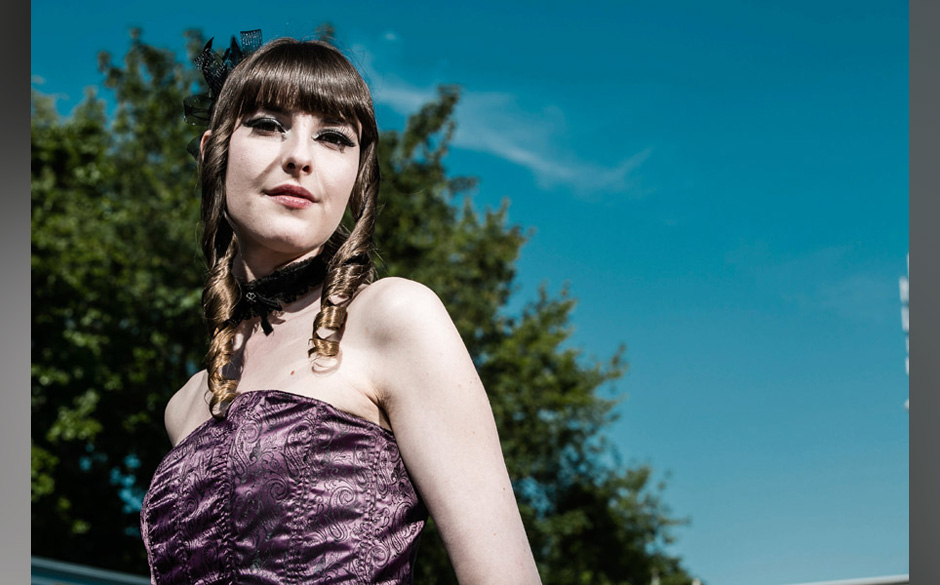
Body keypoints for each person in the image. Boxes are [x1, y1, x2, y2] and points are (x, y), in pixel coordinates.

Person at [139, 31, 542, 584]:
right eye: (267, 125)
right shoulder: (185, 405)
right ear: (214, 150)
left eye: (332, 137)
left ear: (356, 176)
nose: (299, 157)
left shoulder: (395, 317)